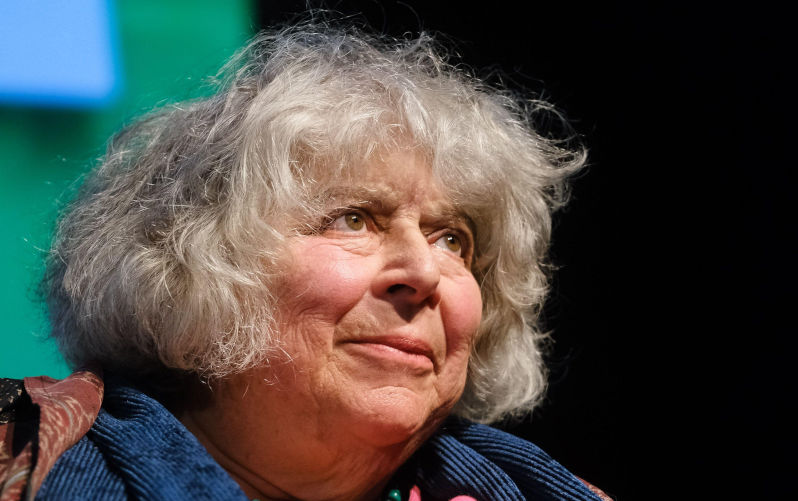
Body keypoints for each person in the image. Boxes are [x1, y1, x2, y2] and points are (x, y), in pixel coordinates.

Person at [0, 22, 610, 501]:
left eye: (452, 239)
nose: (423, 273)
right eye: (354, 219)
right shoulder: (18, 461)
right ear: (190, 265)